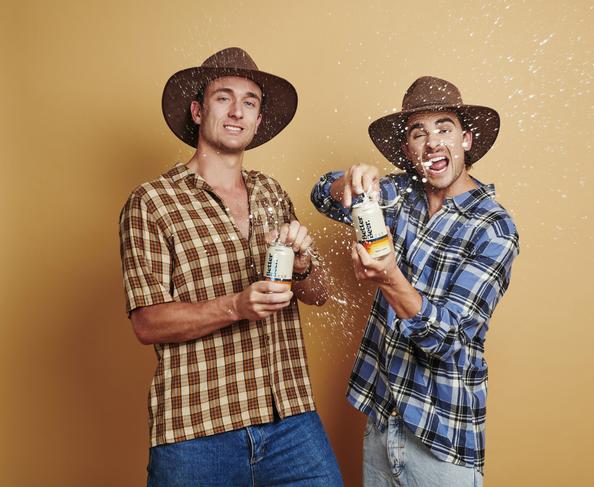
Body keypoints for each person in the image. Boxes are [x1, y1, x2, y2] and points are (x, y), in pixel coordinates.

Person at [119, 47, 342, 486]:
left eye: (250, 102)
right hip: (196, 431)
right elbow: (146, 323)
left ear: (258, 122)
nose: (237, 111)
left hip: (289, 418)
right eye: (224, 97)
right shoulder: (152, 202)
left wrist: (301, 264)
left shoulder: (271, 192)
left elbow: (318, 294)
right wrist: (236, 306)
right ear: (199, 110)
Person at [311, 76, 519, 486]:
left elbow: (446, 338)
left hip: (441, 441)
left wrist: (389, 277)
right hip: (381, 421)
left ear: (466, 140)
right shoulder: (398, 195)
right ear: (408, 150)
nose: (432, 142)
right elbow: (321, 194)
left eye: (444, 128)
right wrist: (349, 181)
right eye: (418, 133)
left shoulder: (494, 228)